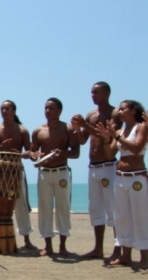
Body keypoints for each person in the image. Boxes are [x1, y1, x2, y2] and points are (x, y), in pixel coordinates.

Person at [71, 81, 122, 261]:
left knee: (113, 209)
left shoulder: (114, 113)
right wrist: (78, 129)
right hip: (93, 167)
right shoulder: (91, 115)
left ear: (107, 93)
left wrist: (85, 124)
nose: (93, 95)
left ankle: (118, 248)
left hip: (108, 165)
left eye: (96, 92)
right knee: (96, 209)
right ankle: (98, 248)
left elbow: (108, 136)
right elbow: (83, 140)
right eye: (92, 92)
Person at [96, 100, 148, 270]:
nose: (119, 111)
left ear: (133, 110)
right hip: (120, 177)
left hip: (136, 178)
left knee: (140, 216)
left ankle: (144, 256)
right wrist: (106, 139)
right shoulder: (119, 130)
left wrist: (117, 137)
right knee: (122, 217)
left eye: (123, 108)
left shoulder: (141, 127)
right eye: (119, 108)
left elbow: (136, 147)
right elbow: (110, 153)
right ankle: (125, 255)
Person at [0, 100, 37, 250]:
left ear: (13, 111)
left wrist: (27, 154)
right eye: (2, 109)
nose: (4, 111)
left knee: (21, 204)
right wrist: (2, 146)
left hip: (15, 170)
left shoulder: (22, 130)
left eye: (7, 109)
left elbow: (29, 151)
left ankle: (26, 239)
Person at [29, 97, 80, 257]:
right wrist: (34, 154)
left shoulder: (68, 129)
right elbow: (33, 153)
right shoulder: (38, 131)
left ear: (59, 111)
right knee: (44, 208)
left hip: (62, 172)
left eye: (51, 108)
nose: (48, 111)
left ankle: (63, 246)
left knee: (63, 207)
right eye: (46, 108)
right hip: (44, 173)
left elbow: (76, 152)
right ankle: (48, 246)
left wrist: (61, 152)